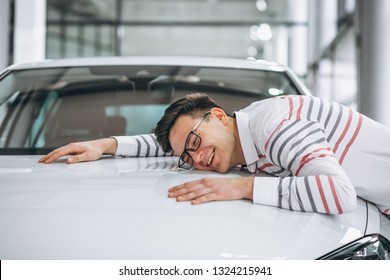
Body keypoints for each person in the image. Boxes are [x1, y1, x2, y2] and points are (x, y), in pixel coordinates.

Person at [39, 93, 390, 216]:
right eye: (185, 158)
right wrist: (105, 145)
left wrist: (242, 188)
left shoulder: (274, 127)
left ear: (219, 116)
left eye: (195, 142)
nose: (196, 159)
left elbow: (338, 194)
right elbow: (176, 145)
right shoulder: (243, 129)